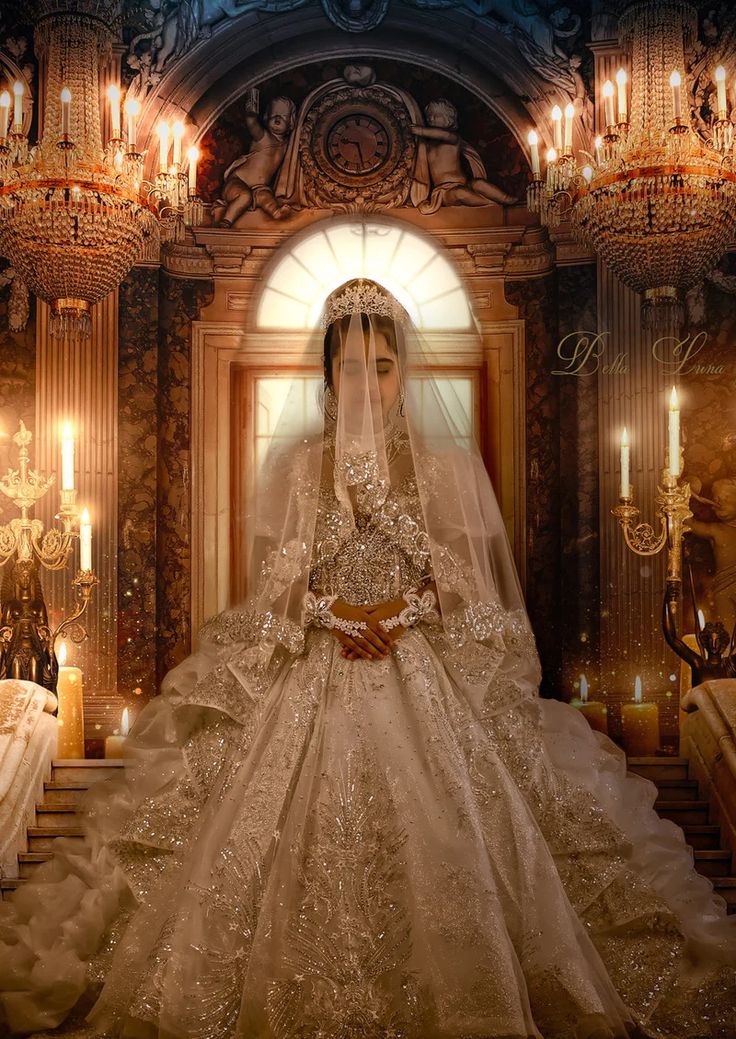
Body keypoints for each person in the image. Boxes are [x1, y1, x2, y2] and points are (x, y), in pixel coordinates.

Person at [0, 277, 735, 1039]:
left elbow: (462, 586)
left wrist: (397, 606)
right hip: (317, 663)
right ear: (328, 374)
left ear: (403, 371)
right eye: (351, 367)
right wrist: (333, 614)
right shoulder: (295, 468)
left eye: (382, 365)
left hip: (419, 664)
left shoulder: (446, 471)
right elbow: (280, 587)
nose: (367, 383)